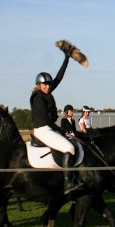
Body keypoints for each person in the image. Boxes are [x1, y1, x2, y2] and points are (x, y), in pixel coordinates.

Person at [32, 50, 82, 195]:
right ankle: (68, 184)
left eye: (48, 84)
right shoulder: (38, 98)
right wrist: (61, 131)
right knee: (70, 148)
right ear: (39, 85)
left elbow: (59, 78)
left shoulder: (46, 93)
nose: (47, 87)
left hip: (49, 128)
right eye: (44, 85)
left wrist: (66, 59)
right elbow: (46, 120)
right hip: (44, 130)